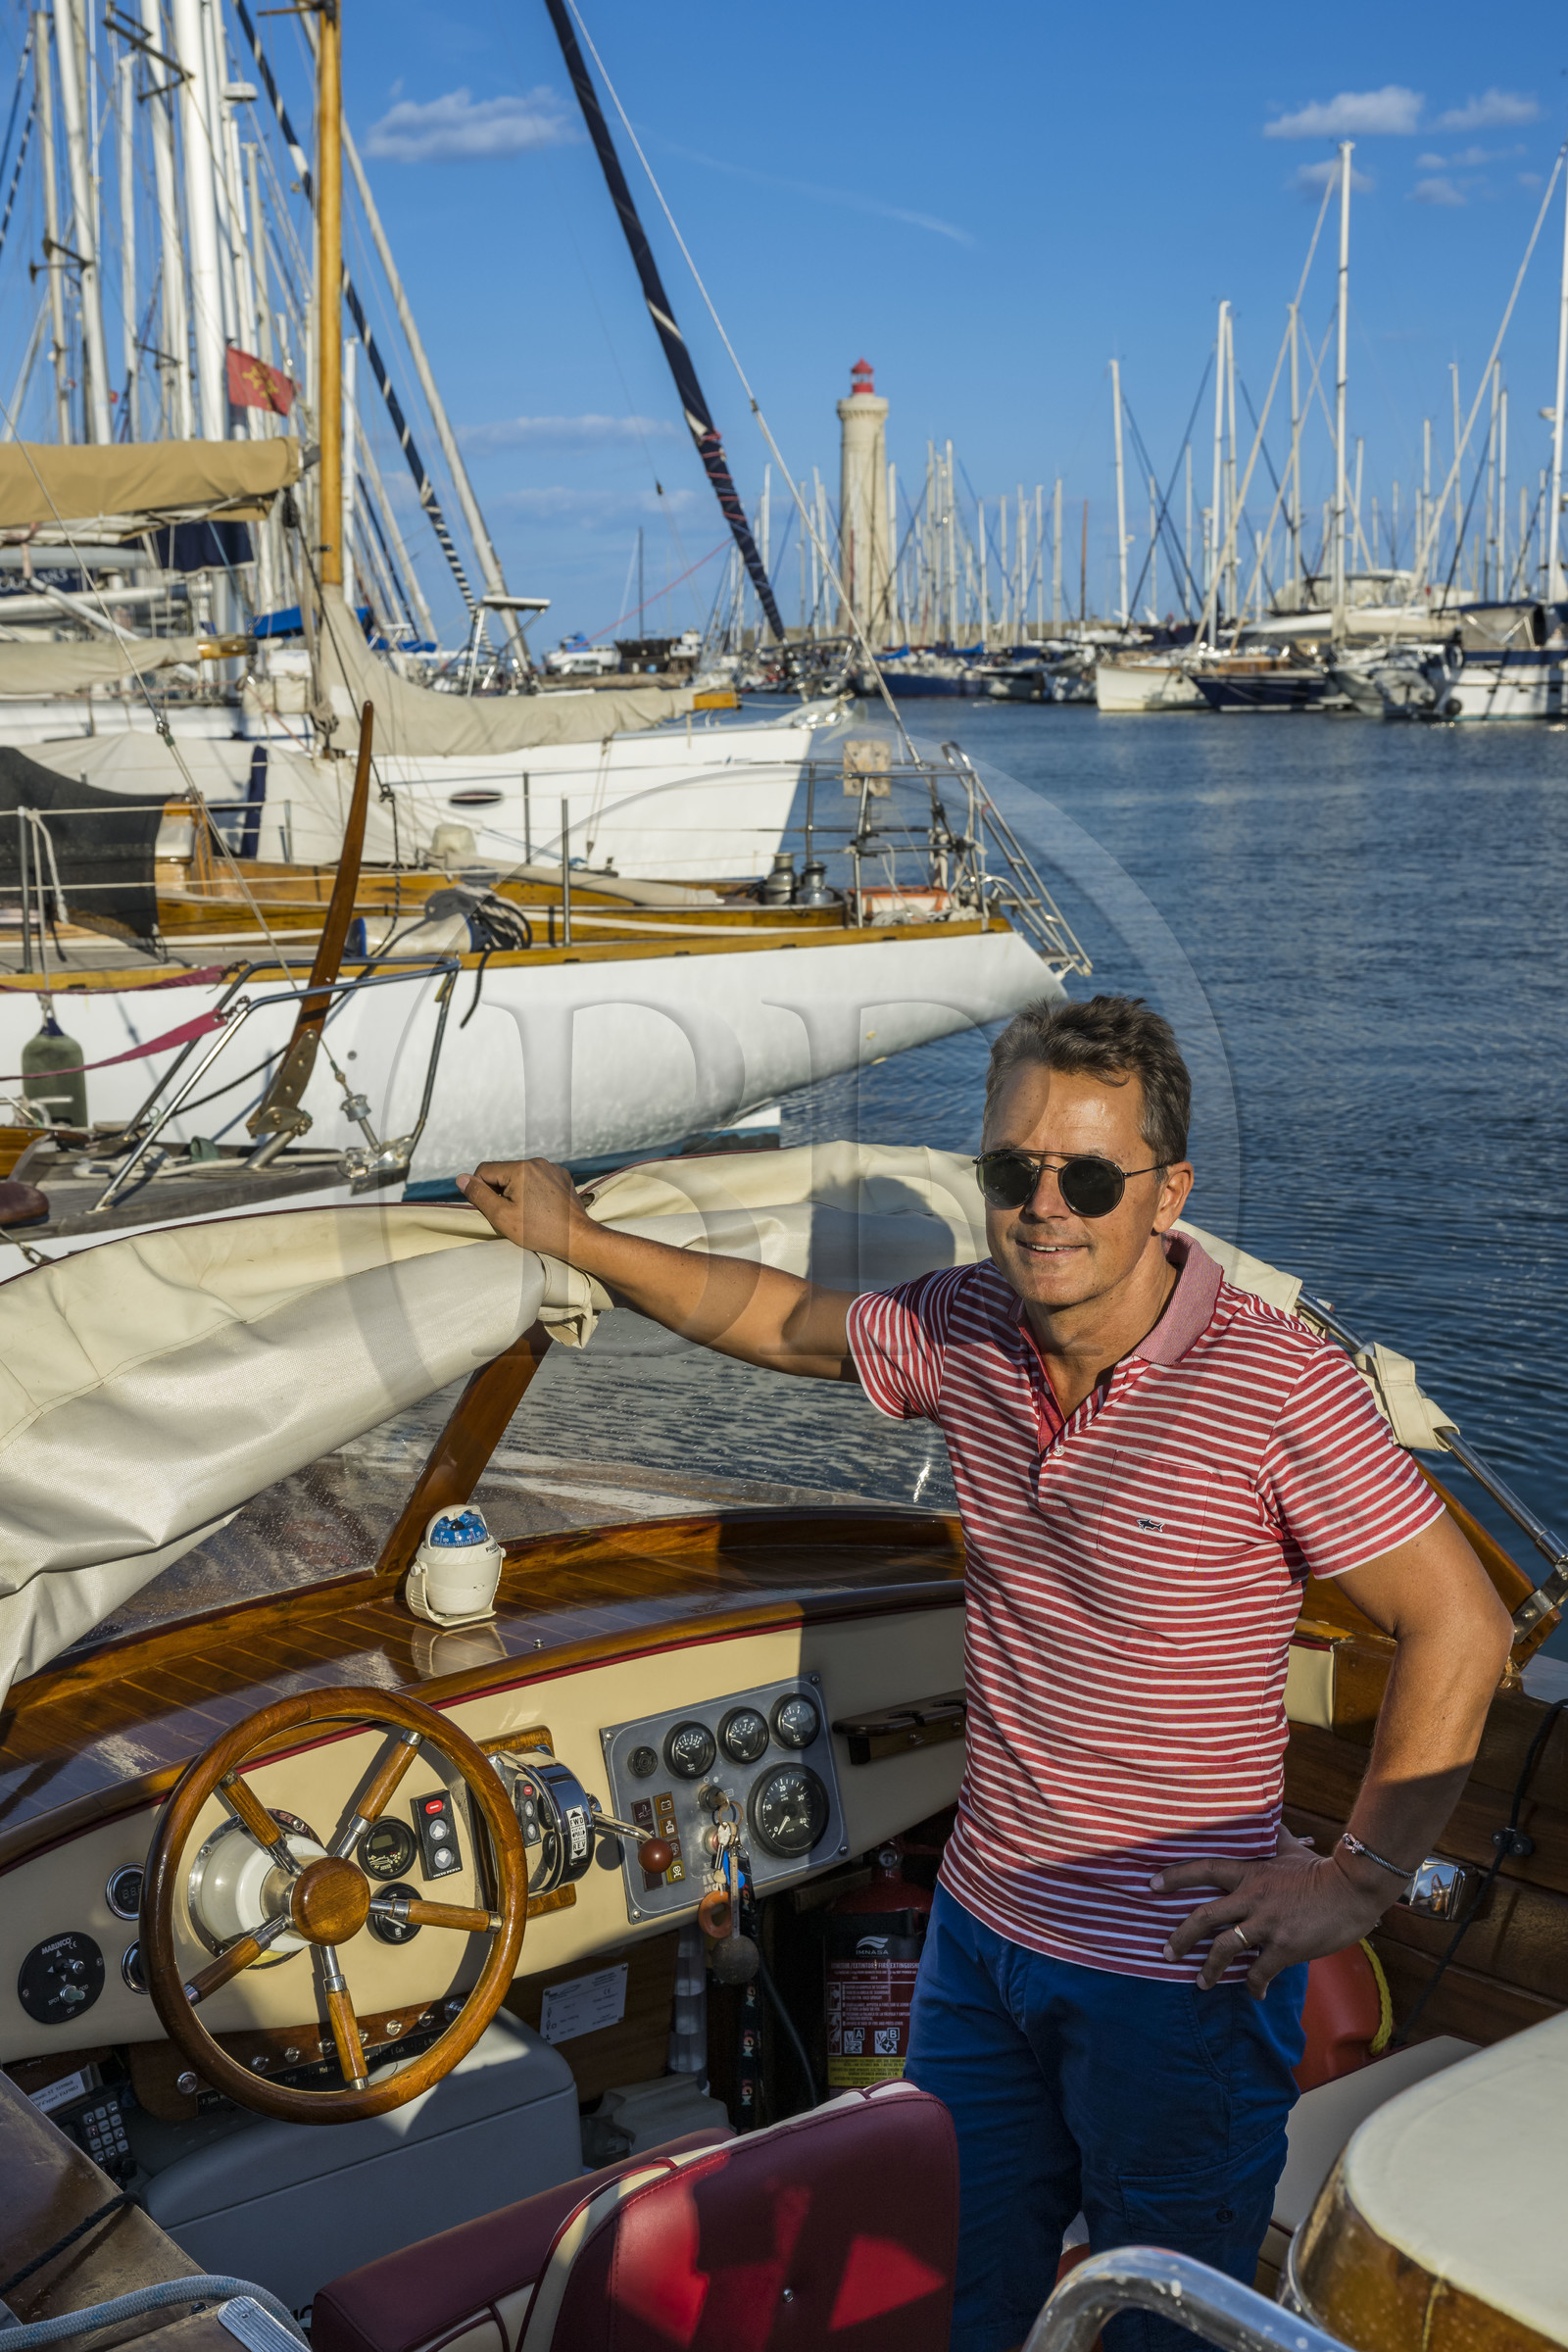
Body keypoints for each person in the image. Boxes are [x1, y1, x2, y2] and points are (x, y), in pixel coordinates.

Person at [456, 994, 1513, 2352]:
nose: (1046, 1206)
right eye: (1015, 1171)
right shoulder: (967, 1331)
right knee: (954, 2289)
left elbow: (1461, 1628)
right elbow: (788, 1323)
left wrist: (1357, 1881)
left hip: (1175, 1975)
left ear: (1167, 1189)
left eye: (1088, 1175)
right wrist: (578, 1236)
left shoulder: (1277, 1387)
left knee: (1150, 2321)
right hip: (982, 1935)